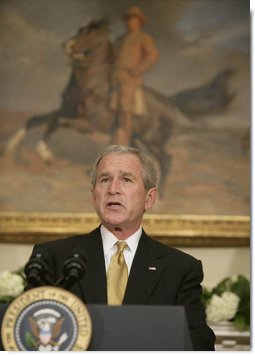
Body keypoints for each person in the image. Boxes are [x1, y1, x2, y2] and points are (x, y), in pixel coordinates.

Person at [25, 144, 215, 350]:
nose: (113, 189)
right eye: (104, 180)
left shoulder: (180, 269)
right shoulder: (55, 257)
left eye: (126, 179)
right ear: (94, 197)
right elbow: (24, 331)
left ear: (149, 199)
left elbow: (200, 345)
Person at [110, 7, 159, 145]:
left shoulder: (144, 38)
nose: (130, 22)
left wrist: (138, 70)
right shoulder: (119, 39)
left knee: (125, 109)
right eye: (128, 19)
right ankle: (114, 138)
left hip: (130, 77)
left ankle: (125, 141)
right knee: (111, 106)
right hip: (115, 76)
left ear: (139, 22)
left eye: (133, 19)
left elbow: (153, 56)